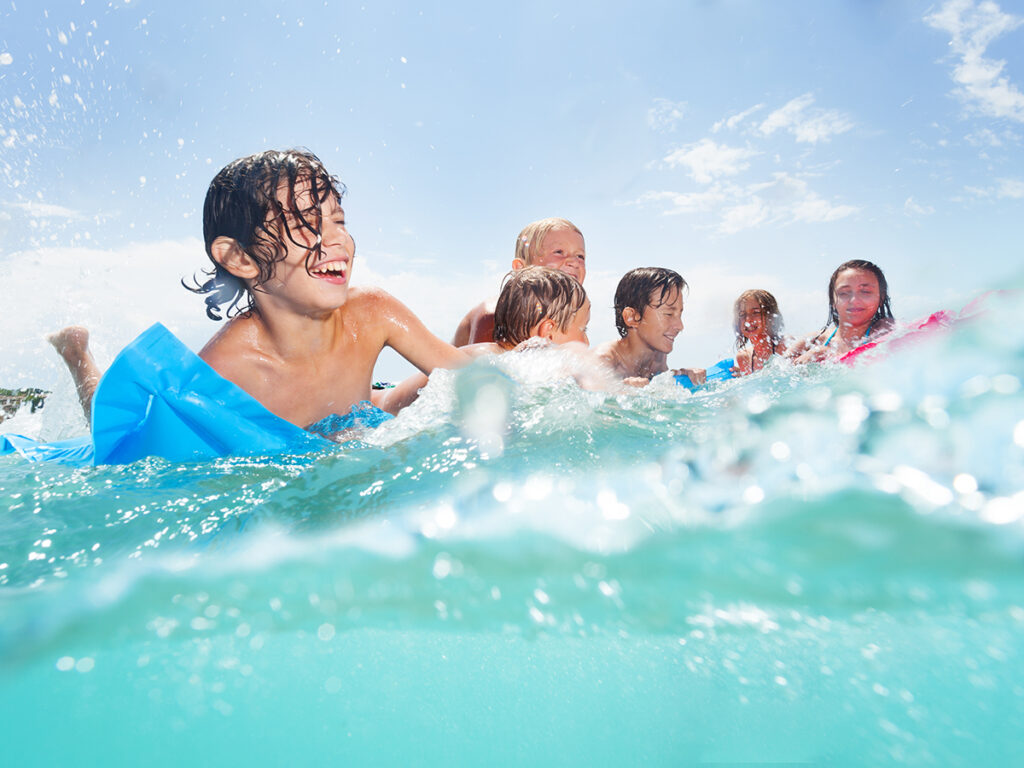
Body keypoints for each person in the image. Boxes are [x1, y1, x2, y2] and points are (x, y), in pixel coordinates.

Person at [49, 149, 469, 438]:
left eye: (338, 219)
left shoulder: (374, 312)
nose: (336, 239)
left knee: (421, 388)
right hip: (251, 425)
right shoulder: (226, 371)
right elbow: (144, 458)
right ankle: (77, 355)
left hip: (363, 407)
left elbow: (469, 374)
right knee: (113, 422)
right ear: (240, 258)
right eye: (307, 222)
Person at [375, 265, 594, 412]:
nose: (586, 341)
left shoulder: (532, 371)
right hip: (376, 402)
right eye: (583, 329)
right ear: (548, 332)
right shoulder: (486, 359)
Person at [451, 217, 586, 345]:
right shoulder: (495, 315)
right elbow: (482, 366)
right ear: (521, 268)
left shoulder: (572, 323)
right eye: (559, 252)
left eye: (580, 256)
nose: (574, 262)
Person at [595, 267, 706, 386]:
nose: (680, 326)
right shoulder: (602, 361)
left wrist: (681, 373)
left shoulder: (658, 357)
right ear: (631, 317)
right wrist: (621, 390)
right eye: (668, 314)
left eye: (680, 314)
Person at [790, 259, 895, 363]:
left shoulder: (889, 332)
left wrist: (829, 354)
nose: (854, 300)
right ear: (833, 301)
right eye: (844, 293)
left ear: (881, 298)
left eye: (865, 291)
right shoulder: (812, 341)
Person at [732, 289, 787, 376]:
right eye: (742, 314)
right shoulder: (744, 357)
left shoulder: (785, 346)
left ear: (772, 317)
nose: (748, 320)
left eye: (755, 312)